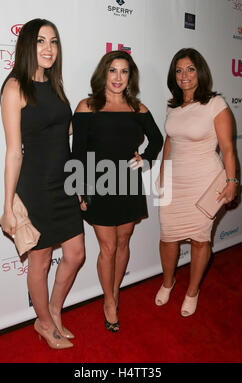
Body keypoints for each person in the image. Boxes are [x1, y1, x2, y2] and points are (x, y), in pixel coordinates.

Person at [0, 19, 85, 349]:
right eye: (40, 41)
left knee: (76, 253)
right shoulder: (14, 88)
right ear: (27, 46)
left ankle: (52, 310)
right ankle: (45, 324)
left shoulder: (55, 84)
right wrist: (8, 206)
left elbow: (61, 136)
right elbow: (13, 151)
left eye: (53, 41)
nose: (48, 48)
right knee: (42, 260)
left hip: (63, 183)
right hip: (35, 188)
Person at [71, 50, 163, 332]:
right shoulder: (87, 106)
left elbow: (157, 140)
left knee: (123, 242)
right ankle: (109, 300)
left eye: (124, 71)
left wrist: (145, 159)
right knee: (107, 247)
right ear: (104, 73)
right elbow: (79, 152)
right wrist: (80, 190)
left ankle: (115, 291)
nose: (118, 77)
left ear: (130, 76)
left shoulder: (139, 109)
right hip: (98, 185)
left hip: (127, 183)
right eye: (113, 70)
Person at [155, 48, 238, 316]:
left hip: (204, 181)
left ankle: (193, 291)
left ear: (200, 71)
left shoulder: (215, 104)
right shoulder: (173, 105)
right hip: (175, 181)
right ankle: (168, 282)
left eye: (190, 69)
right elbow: (170, 139)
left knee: (201, 239)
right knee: (168, 236)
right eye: (179, 70)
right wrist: (161, 172)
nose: (184, 75)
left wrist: (232, 180)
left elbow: (227, 148)